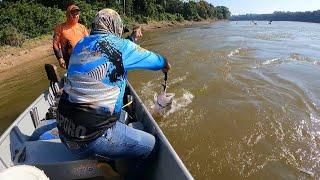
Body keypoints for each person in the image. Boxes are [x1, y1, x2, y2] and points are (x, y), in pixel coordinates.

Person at [56, 8, 171, 171]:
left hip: (63, 129)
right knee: (151, 146)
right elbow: (157, 61)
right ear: (114, 27)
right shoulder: (121, 46)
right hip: (91, 138)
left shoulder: (81, 44)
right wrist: (165, 64)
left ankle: (104, 159)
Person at [53, 4, 89, 69]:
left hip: (84, 59)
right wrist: (60, 58)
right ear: (67, 15)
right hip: (69, 60)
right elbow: (55, 44)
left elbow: (88, 42)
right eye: (73, 14)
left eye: (77, 13)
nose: (75, 15)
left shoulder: (82, 27)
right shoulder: (60, 28)